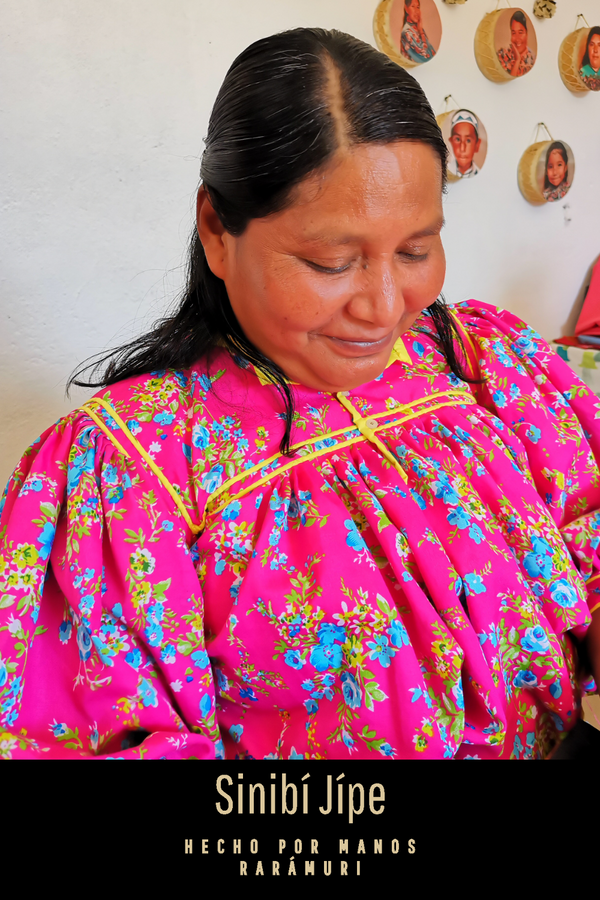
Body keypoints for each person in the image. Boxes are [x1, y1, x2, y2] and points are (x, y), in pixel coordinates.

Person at [1, 28, 600, 761]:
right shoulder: (127, 471)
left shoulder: (483, 361)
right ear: (218, 231)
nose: (385, 306)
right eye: (331, 261)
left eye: (416, 250)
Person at [497, 10, 535, 78]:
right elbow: (508, 81)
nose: (517, 38)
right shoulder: (502, 55)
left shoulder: (532, 60)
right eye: (514, 33)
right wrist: (517, 60)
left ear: (526, 33)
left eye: (520, 32)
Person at [447, 110, 482, 179]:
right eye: (457, 139)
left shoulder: (481, 175)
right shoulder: (446, 170)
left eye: (468, 140)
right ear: (451, 142)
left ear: (477, 145)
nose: (462, 148)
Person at [579, 26, 600, 92]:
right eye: (592, 44)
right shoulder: (583, 72)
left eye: (599, 45)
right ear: (588, 48)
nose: (595, 50)